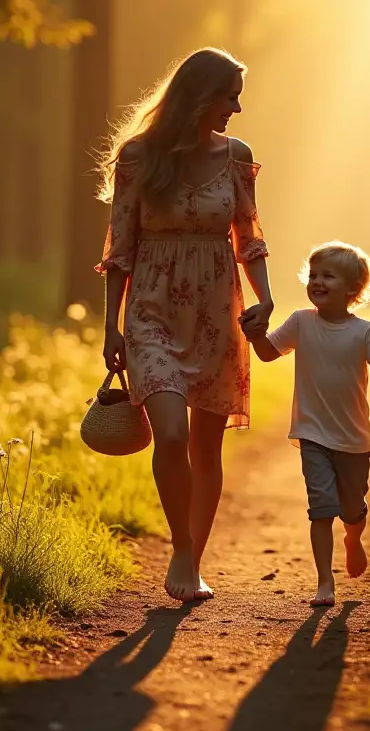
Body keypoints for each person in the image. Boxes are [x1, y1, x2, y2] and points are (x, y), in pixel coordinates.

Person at [97, 47, 274, 604]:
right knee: (171, 432)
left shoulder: (236, 157)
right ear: (201, 96)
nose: (237, 109)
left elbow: (249, 237)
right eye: (231, 96)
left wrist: (265, 301)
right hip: (151, 306)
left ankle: (193, 561)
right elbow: (120, 248)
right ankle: (179, 545)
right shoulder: (138, 157)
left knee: (206, 446)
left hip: (216, 308)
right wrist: (110, 326)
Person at [243, 242, 370, 607]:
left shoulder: (364, 331)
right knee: (322, 507)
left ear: (352, 289)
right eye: (313, 275)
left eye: (328, 275)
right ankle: (325, 582)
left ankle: (353, 538)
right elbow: (267, 353)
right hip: (312, 433)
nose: (317, 282)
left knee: (352, 507)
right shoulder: (301, 322)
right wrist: (254, 334)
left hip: (353, 438)